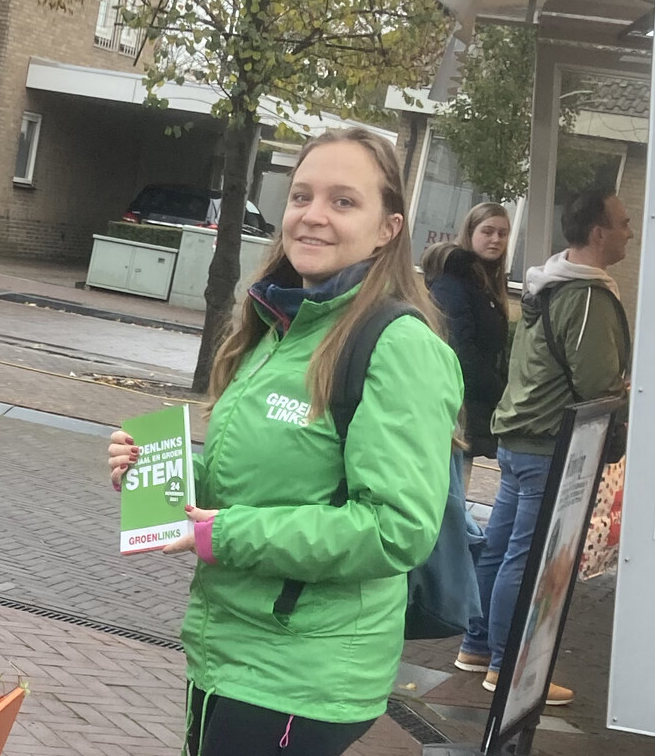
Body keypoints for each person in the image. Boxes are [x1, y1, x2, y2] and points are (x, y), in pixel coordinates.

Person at [107, 128, 462, 756]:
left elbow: (396, 529)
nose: (313, 216)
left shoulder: (399, 346)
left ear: (389, 229)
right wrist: (161, 475)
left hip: (303, 672)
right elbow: (264, 480)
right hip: (230, 652)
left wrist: (225, 535)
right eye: (301, 196)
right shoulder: (277, 326)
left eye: (344, 202)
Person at [454, 190, 633, 703]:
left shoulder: (547, 283)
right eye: (623, 223)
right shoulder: (589, 296)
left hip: (518, 435)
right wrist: (622, 387)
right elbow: (597, 377)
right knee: (525, 556)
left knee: (498, 545)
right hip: (546, 443)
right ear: (599, 233)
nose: (629, 232)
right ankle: (510, 668)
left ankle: (477, 646)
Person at [424, 201, 514, 459]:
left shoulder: (483, 283)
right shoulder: (453, 282)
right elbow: (460, 351)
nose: (496, 239)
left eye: (503, 233)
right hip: (455, 407)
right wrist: (500, 392)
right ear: (470, 232)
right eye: (487, 231)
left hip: (473, 405)